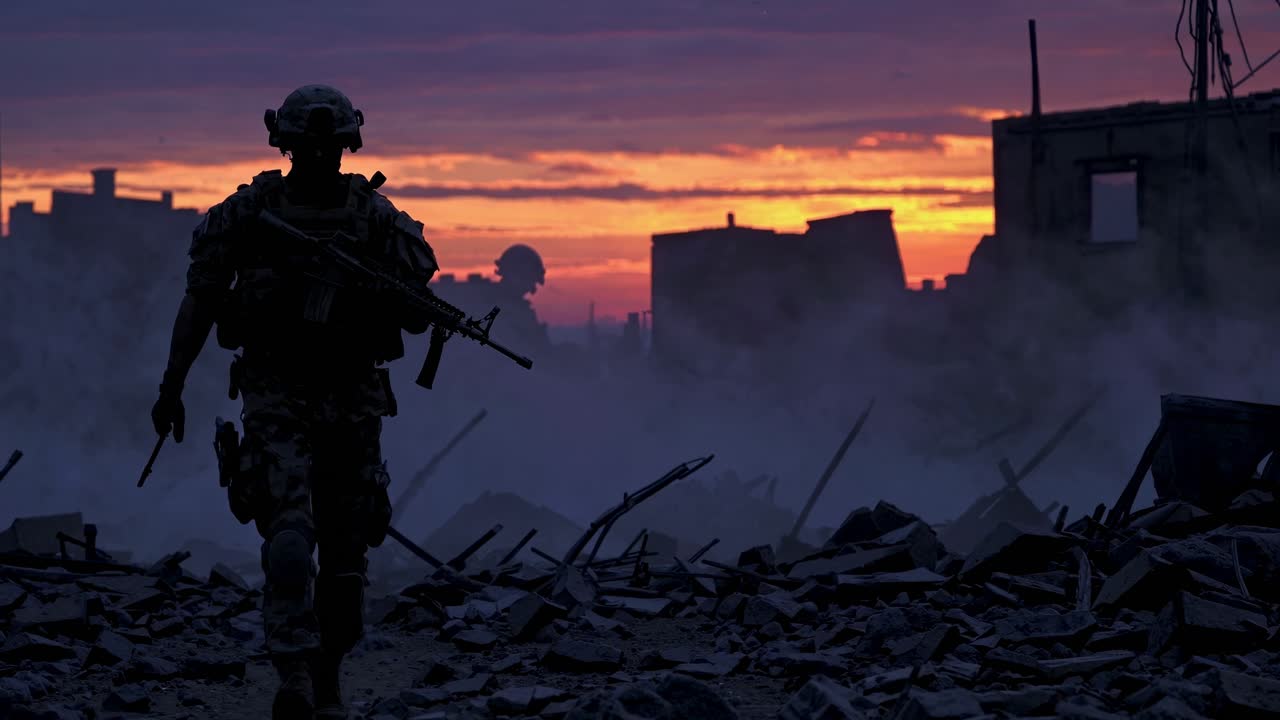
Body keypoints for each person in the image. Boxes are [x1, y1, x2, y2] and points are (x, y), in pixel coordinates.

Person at [149, 84, 438, 720]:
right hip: (276, 391)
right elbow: (201, 297)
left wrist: (373, 291)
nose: (317, 159)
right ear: (285, 145)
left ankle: (327, 670)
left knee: (344, 550)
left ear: (346, 147)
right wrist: (172, 385)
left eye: (327, 148)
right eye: (307, 148)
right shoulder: (249, 214)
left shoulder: (376, 220)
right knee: (288, 539)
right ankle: (297, 674)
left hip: (351, 397)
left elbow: (417, 309)